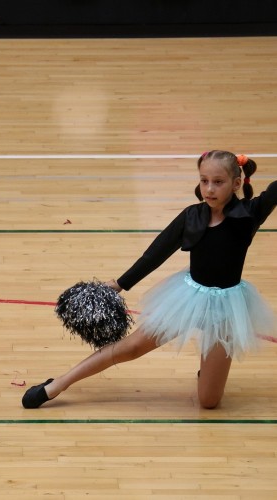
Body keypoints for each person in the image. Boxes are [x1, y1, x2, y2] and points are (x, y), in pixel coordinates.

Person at [23, 150, 276, 410]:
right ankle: (58, 384)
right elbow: (156, 253)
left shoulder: (250, 214)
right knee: (130, 348)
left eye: (218, 182)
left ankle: (208, 373)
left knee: (209, 402)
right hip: (188, 298)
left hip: (227, 307)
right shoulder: (191, 216)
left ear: (236, 184)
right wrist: (120, 283)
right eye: (204, 181)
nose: (209, 189)